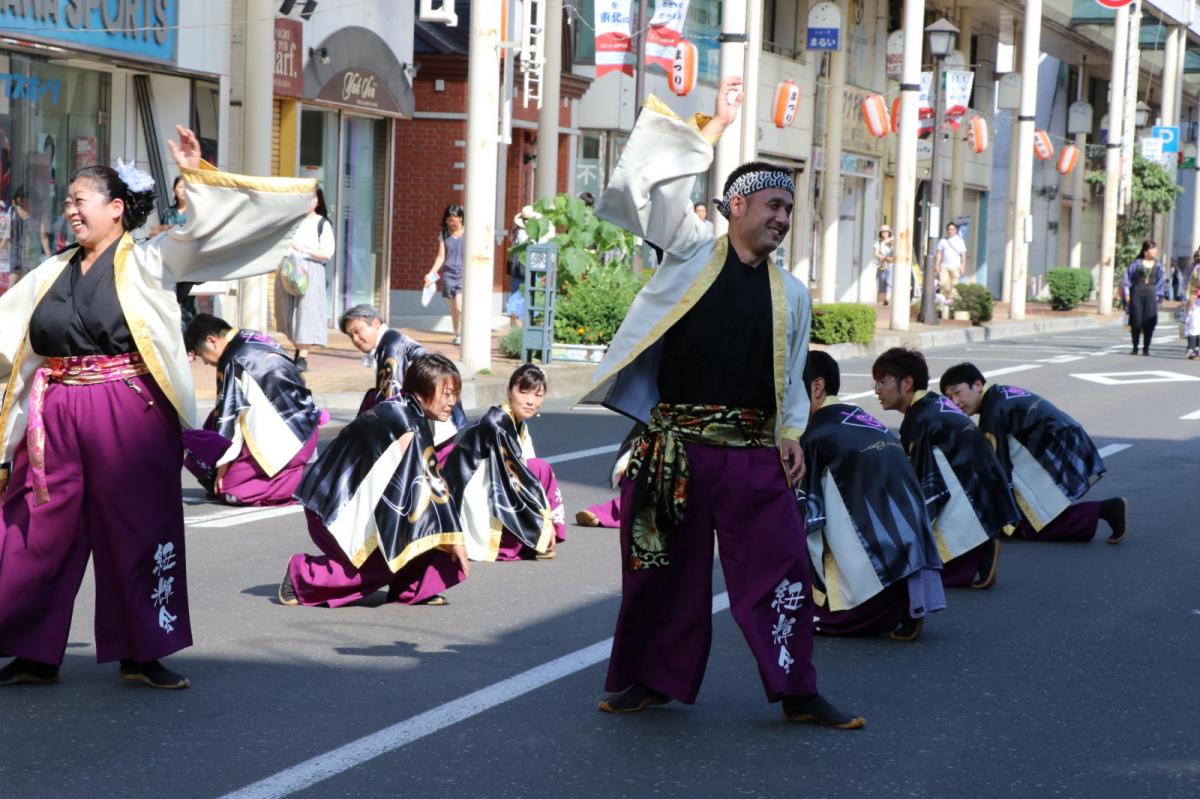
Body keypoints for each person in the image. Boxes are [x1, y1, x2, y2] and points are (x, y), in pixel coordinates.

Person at [582, 79, 863, 728]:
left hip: (750, 454)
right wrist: (712, 129)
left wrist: (792, 431)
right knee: (657, 570)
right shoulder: (687, 251)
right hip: (672, 446)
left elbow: (791, 376)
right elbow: (653, 194)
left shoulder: (790, 293)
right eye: (772, 205)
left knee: (783, 568)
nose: (782, 219)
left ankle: (798, 689)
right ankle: (647, 678)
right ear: (734, 206)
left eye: (789, 210)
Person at [0, 125, 316, 688]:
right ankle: (32, 649)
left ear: (116, 208)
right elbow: (8, 342)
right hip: (56, 413)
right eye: (68, 201)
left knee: (138, 529)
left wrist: (199, 178)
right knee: (36, 529)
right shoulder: (50, 272)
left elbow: (205, 235)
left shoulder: (148, 260)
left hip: (127, 409)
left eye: (80, 200)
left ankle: (141, 651)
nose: (70, 210)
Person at [280, 353, 470, 608]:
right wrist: (455, 539)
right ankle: (302, 575)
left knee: (424, 528)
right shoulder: (409, 424)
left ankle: (409, 586)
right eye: (446, 394)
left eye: (455, 394)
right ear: (423, 390)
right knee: (383, 561)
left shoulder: (401, 406)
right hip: (332, 510)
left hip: (326, 497)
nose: (452, 402)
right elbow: (430, 486)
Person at [799, 352, 945, 642]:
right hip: (908, 545)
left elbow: (807, 510)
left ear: (816, 388)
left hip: (875, 566)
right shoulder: (862, 417)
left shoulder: (816, 433)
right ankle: (908, 601)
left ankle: (879, 607)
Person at [872, 347, 1021, 590]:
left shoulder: (918, 419)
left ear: (907, 383)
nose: (877, 391)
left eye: (882, 382)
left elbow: (920, 481)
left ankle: (974, 555)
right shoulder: (933, 402)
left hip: (972, 492)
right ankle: (979, 547)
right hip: (989, 488)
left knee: (917, 575)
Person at [940, 363, 1128, 544]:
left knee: (1034, 524)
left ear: (978, 385)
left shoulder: (993, 411)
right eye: (949, 398)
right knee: (1028, 515)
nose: (955, 402)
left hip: (1056, 449)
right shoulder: (998, 393)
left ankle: (1106, 509)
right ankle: (1105, 510)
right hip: (1063, 440)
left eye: (958, 392)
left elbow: (999, 467)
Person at [182, 314, 325, 507]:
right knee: (211, 422)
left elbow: (228, 422)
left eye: (201, 355)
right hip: (305, 428)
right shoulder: (251, 336)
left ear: (211, 341)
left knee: (232, 491)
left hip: (287, 437)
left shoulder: (232, 359)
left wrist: (222, 470)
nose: (206, 363)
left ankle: (315, 476)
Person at [442, 364, 566, 561]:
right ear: (509, 391)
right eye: (523, 392)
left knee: (538, 468)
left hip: (491, 482)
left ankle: (537, 536)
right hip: (471, 489)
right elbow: (520, 478)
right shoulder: (498, 422)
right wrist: (545, 520)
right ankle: (537, 537)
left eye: (537, 395)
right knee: (540, 469)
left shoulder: (516, 421)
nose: (530, 401)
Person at [337, 304, 467, 438]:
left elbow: (391, 401)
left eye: (357, 331)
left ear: (375, 322)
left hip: (435, 425)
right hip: (438, 419)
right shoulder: (392, 341)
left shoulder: (392, 346)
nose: (355, 339)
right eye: (351, 335)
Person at [274, 187, 334, 372]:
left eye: (313, 197)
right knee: (287, 311)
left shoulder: (322, 224)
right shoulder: (292, 222)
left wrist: (302, 249)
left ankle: (302, 357)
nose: (309, 201)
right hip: (289, 269)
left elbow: (326, 253)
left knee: (306, 313)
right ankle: (297, 349)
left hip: (311, 270)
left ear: (318, 200)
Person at [425, 203, 466, 346]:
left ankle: (464, 333)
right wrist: (431, 274)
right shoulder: (444, 233)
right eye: (448, 220)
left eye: (453, 220)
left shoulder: (469, 232)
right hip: (449, 274)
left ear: (461, 218)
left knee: (461, 305)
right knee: (453, 307)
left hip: (464, 274)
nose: (450, 223)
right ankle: (458, 334)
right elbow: (441, 256)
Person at [1120, 239, 1166, 356]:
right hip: (1136, 295)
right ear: (1146, 251)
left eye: (1155, 248)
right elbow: (1127, 279)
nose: (1155, 251)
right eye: (1153, 248)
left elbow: (1161, 282)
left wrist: (1158, 297)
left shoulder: (1159, 265)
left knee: (1150, 322)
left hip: (1151, 295)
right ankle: (1135, 347)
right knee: (1136, 321)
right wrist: (1127, 294)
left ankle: (1146, 348)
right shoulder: (1136, 263)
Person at [934, 222, 967, 295]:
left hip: (956, 266)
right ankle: (945, 299)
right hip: (944, 266)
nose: (951, 231)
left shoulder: (960, 241)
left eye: (953, 229)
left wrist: (963, 265)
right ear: (947, 230)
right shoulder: (943, 241)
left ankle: (951, 303)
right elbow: (939, 253)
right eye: (949, 229)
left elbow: (963, 254)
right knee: (942, 283)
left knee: (954, 286)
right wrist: (937, 264)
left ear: (956, 231)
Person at [874, 225, 894, 305]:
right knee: (881, 283)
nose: (884, 233)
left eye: (886, 232)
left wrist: (891, 245)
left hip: (891, 265)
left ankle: (887, 299)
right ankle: (881, 301)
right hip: (881, 266)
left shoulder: (892, 241)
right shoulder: (878, 243)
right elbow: (876, 253)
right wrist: (884, 258)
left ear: (889, 233)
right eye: (883, 232)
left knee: (889, 282)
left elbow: (895, 252)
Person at [1184, 280, 1200, 360]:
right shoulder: (1195, 271)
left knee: (1194, 328)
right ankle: (1193, 349)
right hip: (1195, 306)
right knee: (1194, 328)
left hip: (1196, 306)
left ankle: (1194, 349)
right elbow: (1193, 292)